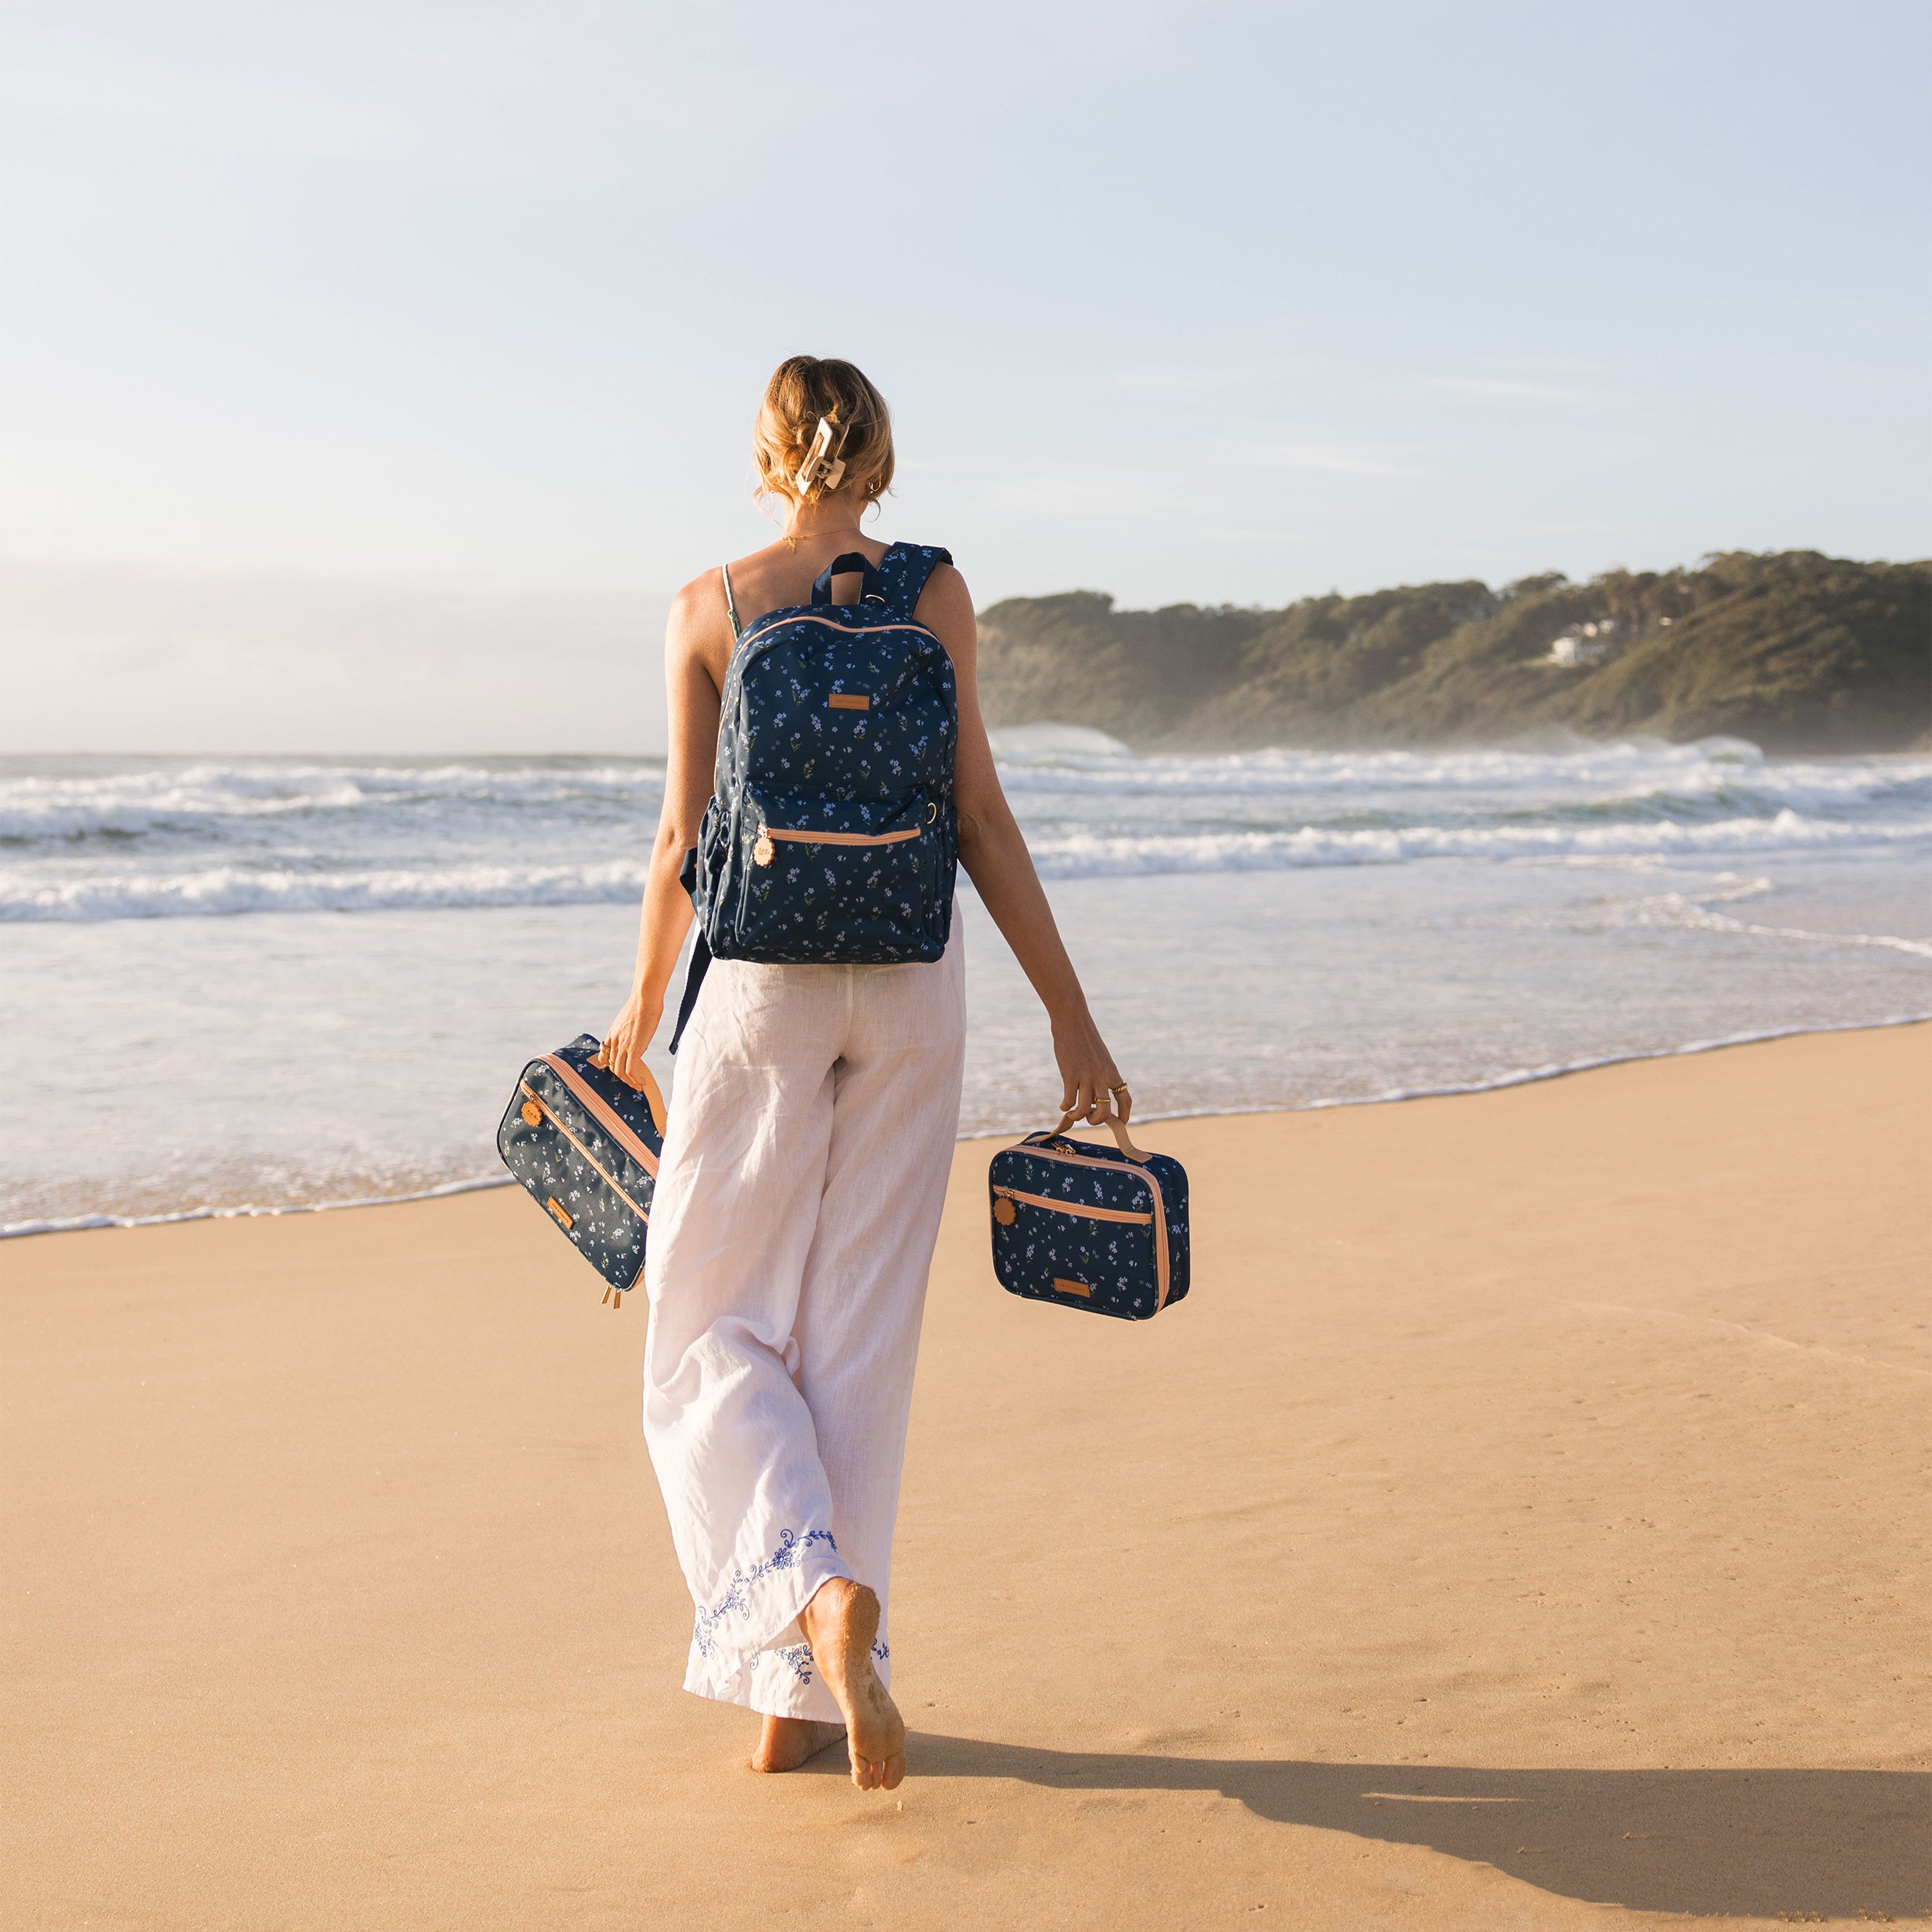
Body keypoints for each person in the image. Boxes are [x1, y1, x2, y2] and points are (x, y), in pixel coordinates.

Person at [599, 355, 1128, 1793]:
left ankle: (812, 1601)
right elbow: (980, 816)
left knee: (706, 1333)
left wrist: (640, 1010)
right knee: (860, 1344)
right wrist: (1072, 1019)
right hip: (913, 982)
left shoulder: (711, 603)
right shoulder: (938, 593)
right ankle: (813, 1701)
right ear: (880, 457)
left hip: (760, 991)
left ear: (767, 453)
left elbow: (672, 844)